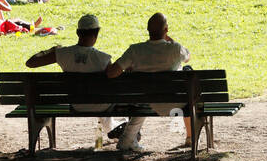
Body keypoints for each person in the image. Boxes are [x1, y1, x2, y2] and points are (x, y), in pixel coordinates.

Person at [106, 13, 194, 152]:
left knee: (141, 97)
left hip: (144, 101)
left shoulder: (135, 50)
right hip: (175, 102)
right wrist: (170, 40)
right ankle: (191, 137)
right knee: (188, 71)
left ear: (148, 30)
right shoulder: (175, 48)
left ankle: (127, 141)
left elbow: (111, 73)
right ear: (166, 30)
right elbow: (187, 57)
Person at [27, 14, 117, 142]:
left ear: (77, 33)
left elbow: (31, 63)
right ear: (96, 34)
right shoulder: (104, 58)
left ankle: (111, 129)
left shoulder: (62, 54)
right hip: (101, 105)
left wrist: (51, 50)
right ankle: (117, 131)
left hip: (76, 104)